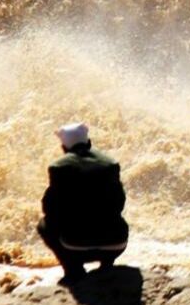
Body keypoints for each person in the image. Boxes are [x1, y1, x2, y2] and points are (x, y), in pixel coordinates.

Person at [37, 122, 129, 285]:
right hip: (116, 243)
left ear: (64, 148)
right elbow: (119, 203)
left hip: (76, 246)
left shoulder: (59, 167)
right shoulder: (110, 163)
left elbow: (49, 209)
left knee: (44, 225)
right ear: (89, 143)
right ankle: (107, 267)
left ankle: (73, 270)